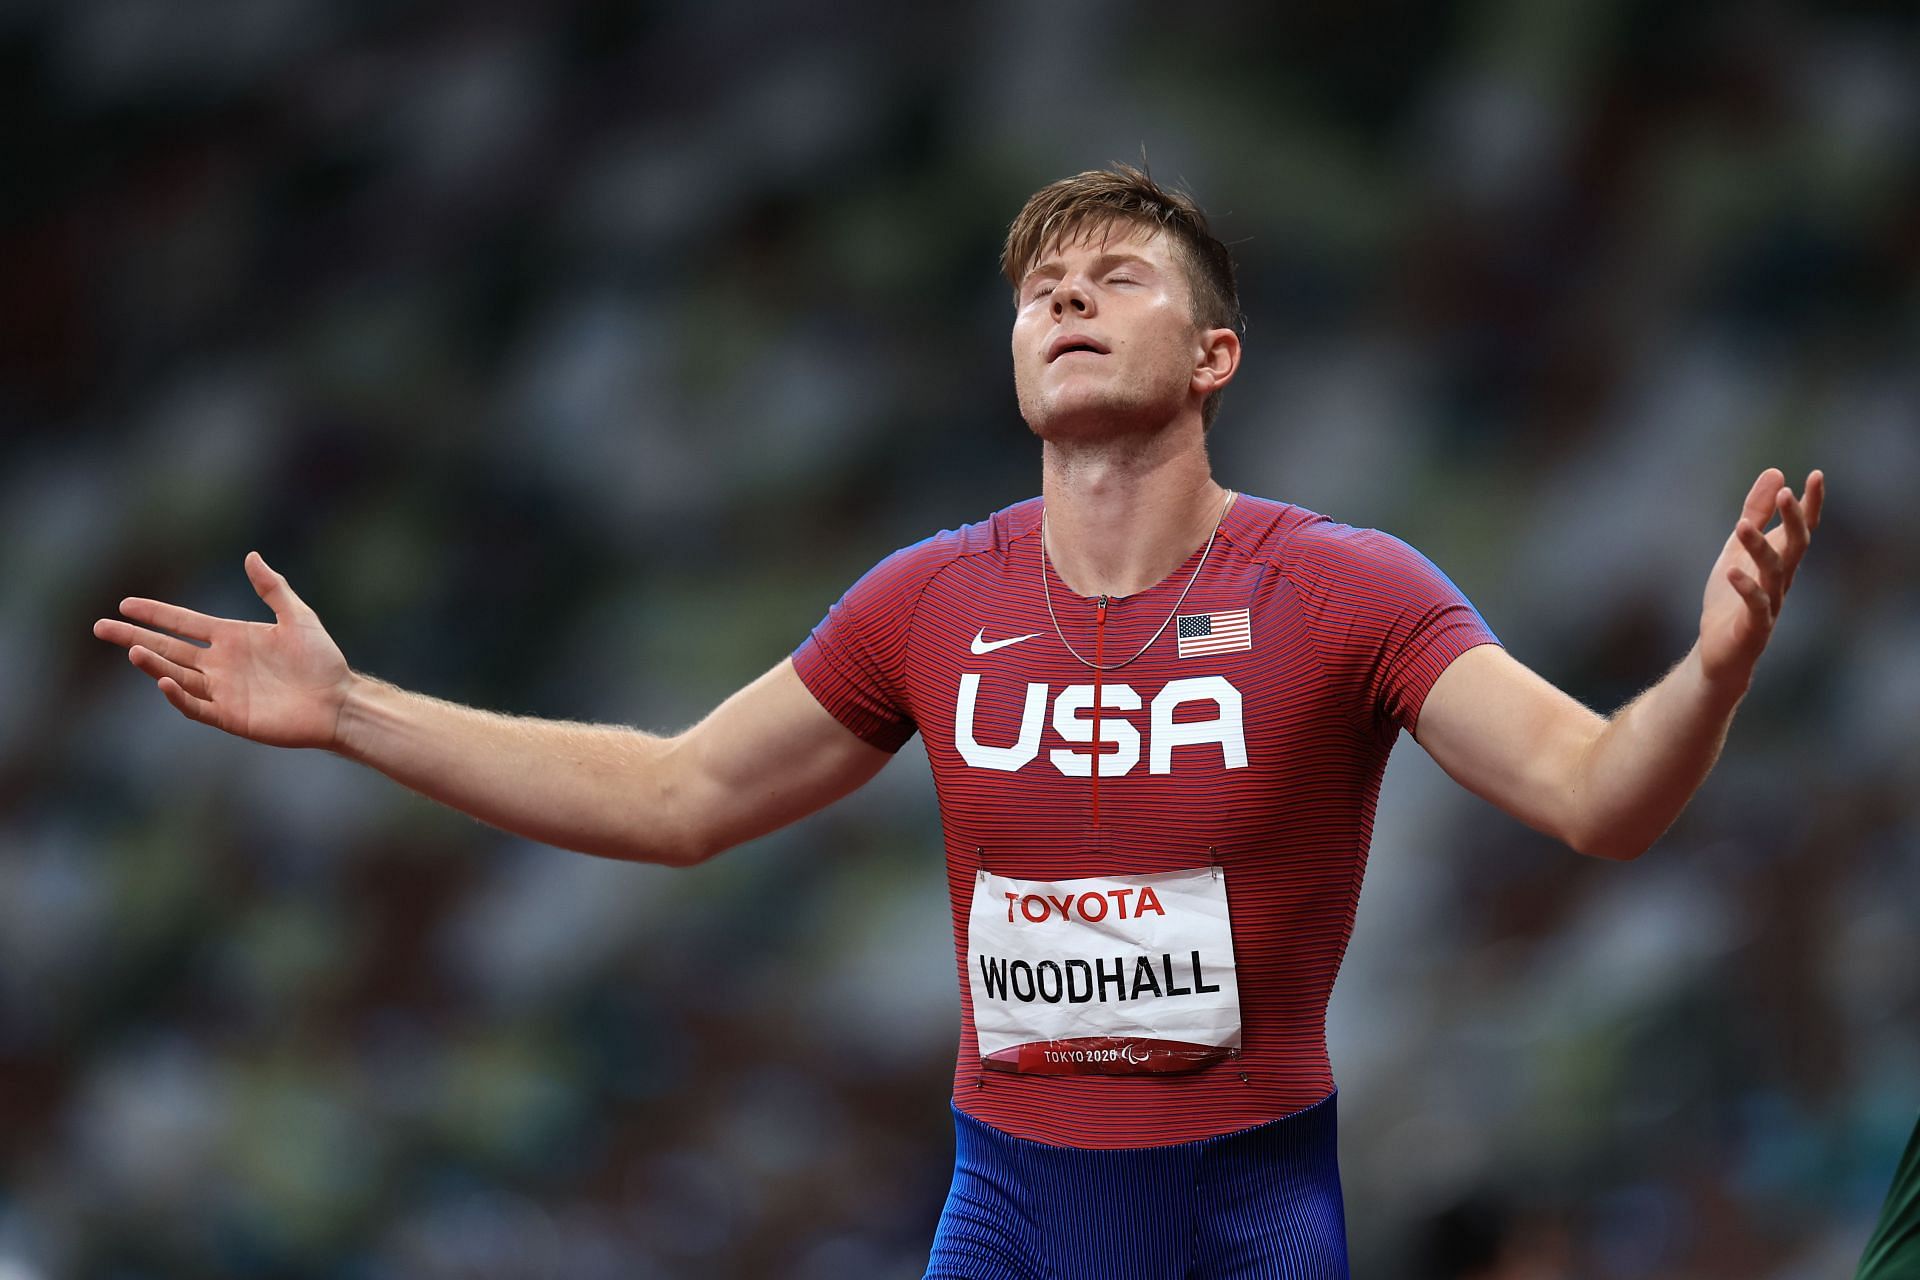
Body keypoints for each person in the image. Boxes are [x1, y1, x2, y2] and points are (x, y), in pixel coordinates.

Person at [93, 164, 1823, 1279]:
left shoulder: (1346, 591)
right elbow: (683, 791)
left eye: (1118, 277)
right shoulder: (932, 598)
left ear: (1215, 356)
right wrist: (351, 712)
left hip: (1248, 1219)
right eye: (1038, 289)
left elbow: (1600, 797)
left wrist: (1711, 672)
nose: (1066, 299)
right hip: (1007, 1214)